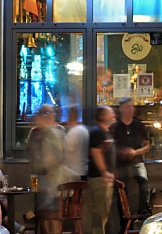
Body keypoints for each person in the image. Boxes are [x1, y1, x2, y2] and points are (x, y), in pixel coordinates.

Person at [26, 105, 66, 234]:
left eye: (48, 113)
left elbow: (60, 156)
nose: (45, 116)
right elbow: (30, 153)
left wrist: (50, 173)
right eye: (42, 114)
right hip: (36, 177)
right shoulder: (35, 132)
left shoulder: (57, 131)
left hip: (52, 179)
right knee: (41, 214)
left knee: (52, 215)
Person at [112, 98, 151, 215]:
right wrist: (122, 152)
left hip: (137, 161)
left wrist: (135, 152)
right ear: (121, 109)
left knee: (143, 181)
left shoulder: (139, 125)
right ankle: (125, 215)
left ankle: (145, 209)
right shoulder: (116, 127)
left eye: (132, 107)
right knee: (123, 188)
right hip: (121, 163)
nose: (131, 109)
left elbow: (147, 146)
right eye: (128, 107)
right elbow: (111, 147)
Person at [83, 106, 116, 234]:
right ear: (102, 116)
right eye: (110, 113)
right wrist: (104, 172)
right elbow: (95, 152)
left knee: (101, 212)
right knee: (99, 212)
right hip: (100, 179)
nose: (113, 114)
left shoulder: (106, 132)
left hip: (103, 178)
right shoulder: (97, 132)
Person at [63, 105, 89, 181]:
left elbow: (69, 157)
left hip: (74, 173)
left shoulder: (72, 133)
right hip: (84, 171)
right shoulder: (84, 130)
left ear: (69, 116)